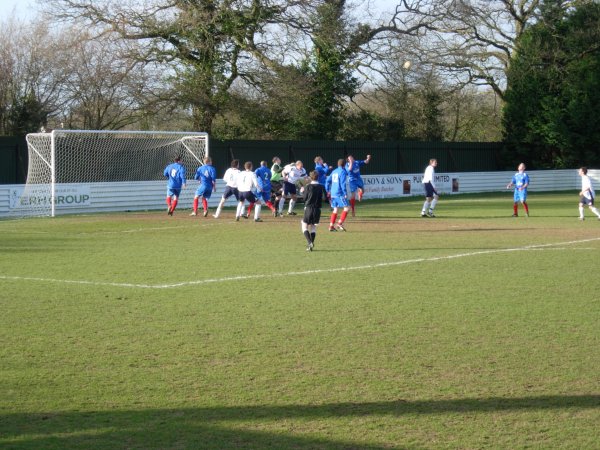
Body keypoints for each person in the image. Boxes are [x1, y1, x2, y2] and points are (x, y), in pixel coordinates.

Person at [301, 170, 327, 251]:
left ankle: (309, 242)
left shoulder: (308, 186)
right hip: (317, 209)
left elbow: (304, 198)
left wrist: (303, 191)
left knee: (304, 225)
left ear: (310, 177)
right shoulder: (321, 187)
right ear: (318, 177)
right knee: (313, 227)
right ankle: (310, 246)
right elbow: (324, 198)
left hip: (308, 208)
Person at [325, 158, 350, 231]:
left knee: (335, 209)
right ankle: (339, 223)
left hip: (333, 193)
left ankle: (331, 226)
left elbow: (327, 181)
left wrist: (328, 190)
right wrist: (345, 193)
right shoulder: (342, 172)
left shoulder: (334, 171)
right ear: (344, 165)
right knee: (347, 207)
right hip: (339, 193)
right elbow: (343, 183)